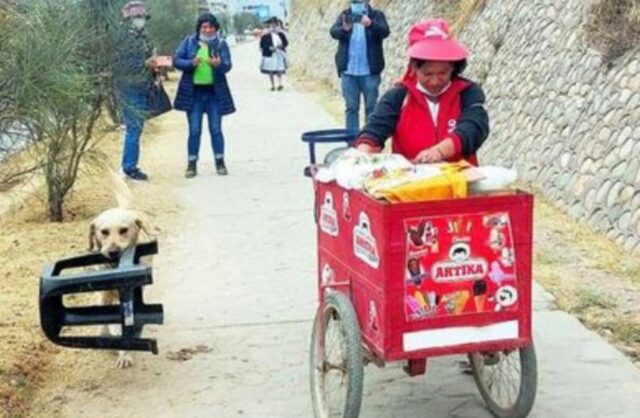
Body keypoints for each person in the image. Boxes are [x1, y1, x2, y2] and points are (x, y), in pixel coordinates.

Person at [353, 19, 489, 165]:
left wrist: (439, 151)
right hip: (411, 181)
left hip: (461, 181)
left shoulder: (468, 92)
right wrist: (363, 153)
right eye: (427, 74)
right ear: (414, 68)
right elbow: (375, 130)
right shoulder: (398, 97)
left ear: (453, 68)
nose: (435, 81)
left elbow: (474, 127)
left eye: (443, 73)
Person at [173, 13, 235, 178]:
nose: (207, 30)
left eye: (211, 27)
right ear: (199, 28)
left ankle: (220, 162)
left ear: (215, 28)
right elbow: (176, 60)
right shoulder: (189, 42)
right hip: (194, 94)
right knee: (194, 130)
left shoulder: (221, 44)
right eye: (204, 27)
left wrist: (218, 64)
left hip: (214, 93)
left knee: (215, 129)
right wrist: (190, 63)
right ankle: (192, 164)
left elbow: (228, 66)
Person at [330, 0, 390, 132]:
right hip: (349, 71)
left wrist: (370, 24)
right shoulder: (345, 15)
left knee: (371, 108)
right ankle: (352, 141)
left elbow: (385, 32)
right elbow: (333, 32)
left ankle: (369, 140)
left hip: (370, 71)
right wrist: (344, 29)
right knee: (351, 108)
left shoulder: (376, 15)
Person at [114, 1, 157, 181]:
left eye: (142, 17)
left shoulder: (143, 37)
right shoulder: (123, 39)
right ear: (129, 19)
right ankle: (129, 167)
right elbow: (122, 65)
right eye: (137, 17)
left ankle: (130, 164)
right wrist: (144, 64)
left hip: (141, 86)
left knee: (137, 128)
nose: (140, 20)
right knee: (134, 127)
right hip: (129, 88)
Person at [260, 17, 289, 91]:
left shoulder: (280, 34)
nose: (273, 25)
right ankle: (272, 85)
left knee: (279, 69)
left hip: (279, 53)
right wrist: (269, 47)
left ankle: (279, 84)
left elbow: (286, 43)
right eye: (271, 24)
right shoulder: (265, 35)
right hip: (270, 54)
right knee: (270, 70)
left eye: (274, 24)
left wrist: (281, 46)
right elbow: (262, 45)